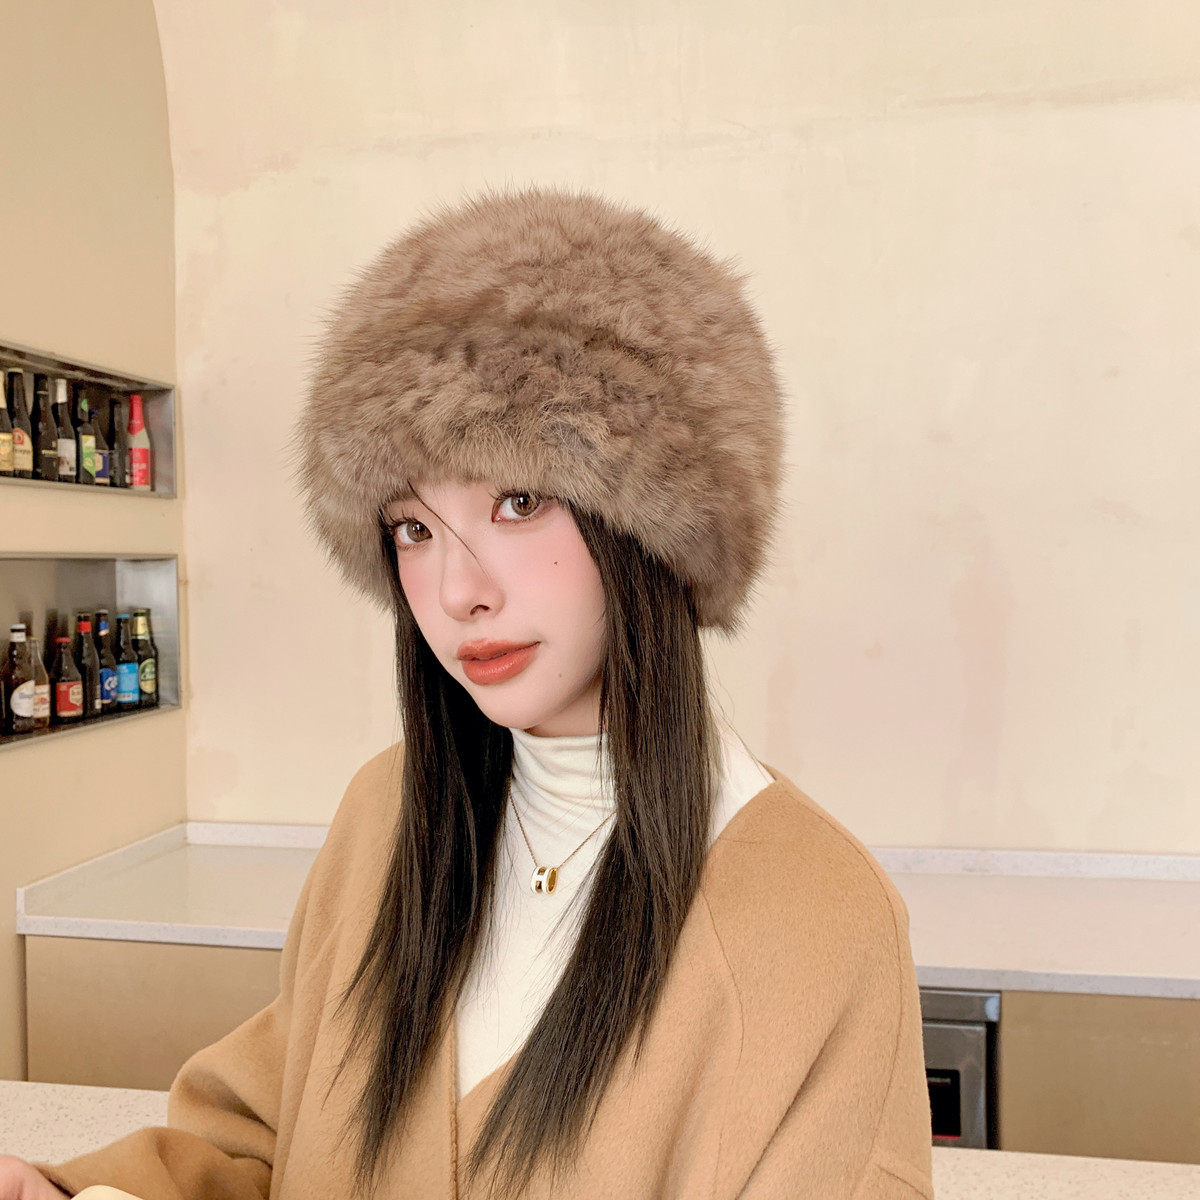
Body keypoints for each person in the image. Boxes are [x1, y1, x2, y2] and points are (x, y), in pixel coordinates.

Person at [3, 184, 934, 1199]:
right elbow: (261, 1143)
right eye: (412, 528)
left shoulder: (821, 918)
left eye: (518, 501)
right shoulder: (387, 813)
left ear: (657, 529)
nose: (456, 592)